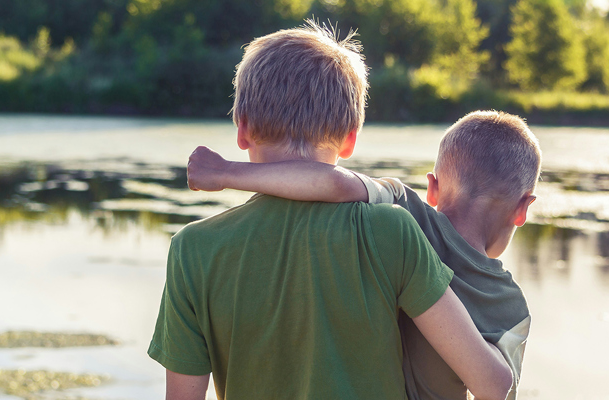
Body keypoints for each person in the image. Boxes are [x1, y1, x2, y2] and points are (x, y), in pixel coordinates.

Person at [148, 22, 513, 400]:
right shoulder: (392, 231)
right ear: (351, 138)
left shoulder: (193, 249)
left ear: (242, 130)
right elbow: (492, 384)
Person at [186, 110, 541, 400]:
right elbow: (497, 390)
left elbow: (334, 182)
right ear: (523, 209)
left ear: (433, 188)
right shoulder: (511, 307)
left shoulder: (407, 209)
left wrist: (226, 173)